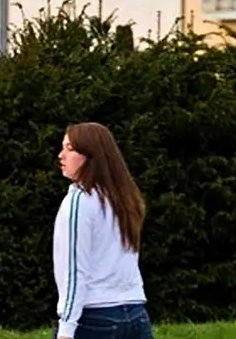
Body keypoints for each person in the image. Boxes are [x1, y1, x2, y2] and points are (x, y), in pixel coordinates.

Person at [53, 122, 154, 339]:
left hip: (94, 317)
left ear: (90, 155)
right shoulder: (124, 200)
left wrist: (66, 328)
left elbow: (74, 268)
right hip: (136, 312)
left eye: (70, 149)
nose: (61, 155)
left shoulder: (80, 200)